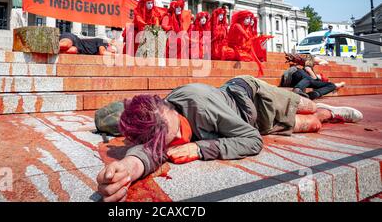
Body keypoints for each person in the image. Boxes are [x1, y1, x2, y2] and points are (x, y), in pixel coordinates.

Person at [95, 75, 363, 202]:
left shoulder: (198, 102)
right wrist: (126, 170)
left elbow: (253, 141)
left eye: (173, 129)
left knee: (309, 108)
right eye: (165, 139)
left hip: (253, 95)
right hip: (249, 123)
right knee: (314, 125)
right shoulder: (159, 127)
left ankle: (330, 108)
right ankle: (329, 115)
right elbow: (147, 152)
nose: (176, 138)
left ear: (167, 108)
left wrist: (200, 149)